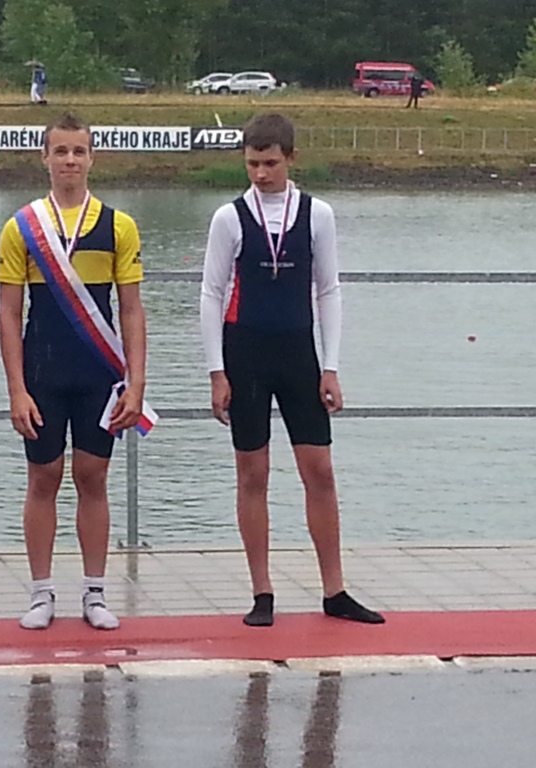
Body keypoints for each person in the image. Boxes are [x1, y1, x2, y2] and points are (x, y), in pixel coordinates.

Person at [199, 113, 384, 628]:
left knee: (319, 471)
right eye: (252, 164)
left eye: (270, 164)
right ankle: (262, 592)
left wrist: (332, 366)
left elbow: (328, 289)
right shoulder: (229, 218)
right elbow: (211, 294)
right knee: (252, 473)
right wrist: (216, 371)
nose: (261, 174)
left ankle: (334, 590)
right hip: (245, 354)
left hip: (299, 355)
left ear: (291, 159)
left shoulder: (317, 214)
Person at [0, 112, 149, 631]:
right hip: (41, 371)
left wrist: (136, 383)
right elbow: (9, 314)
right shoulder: (21, 227)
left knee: (93, 477)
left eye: (78, 151)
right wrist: (16, 390)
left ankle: (95, 592)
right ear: (44, 157)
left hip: (98, 375)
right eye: (60, 151)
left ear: (92, 158)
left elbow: (131, 309)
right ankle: (41, 592)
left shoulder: (119, 226)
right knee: (43, 477)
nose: (69, 160)